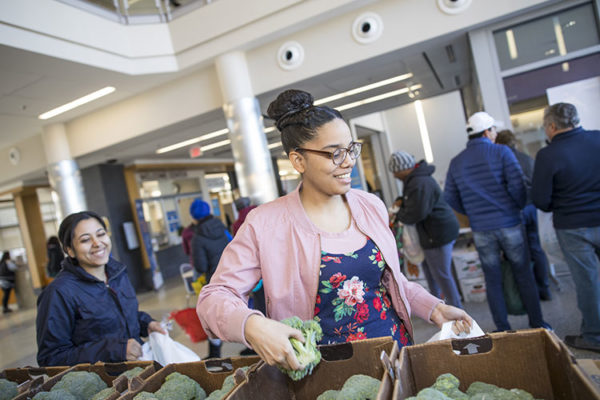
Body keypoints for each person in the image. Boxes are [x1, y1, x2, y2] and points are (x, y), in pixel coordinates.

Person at [197, 89, 472, 372]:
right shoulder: (264, 224)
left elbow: (390, 281)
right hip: (322, 373)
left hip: (393, 354)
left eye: (351, 149)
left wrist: (434, 307)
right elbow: (214, 298)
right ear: (298, 161)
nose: (349, 162)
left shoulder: (369, 206)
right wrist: (252, 325)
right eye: (335, 153)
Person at [444, 111, 550, 332]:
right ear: (486, 131)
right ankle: (538, 323)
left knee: (492, 278)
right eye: (493, 130)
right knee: (523, 273)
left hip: (481, 228)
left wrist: (473, 212)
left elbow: (451, 197)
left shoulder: (456, 162)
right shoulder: (502, 152)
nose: (495, 134)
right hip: (510, 222)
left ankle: (502, 328)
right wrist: (515, 207)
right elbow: (518, 186)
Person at [36, 211, 166, 366]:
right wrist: (116, 351)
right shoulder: (59, 293)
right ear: (70, 250)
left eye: (101, 234)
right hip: (105, 384)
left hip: (138, 371)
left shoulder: (117, 274)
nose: (97, 243)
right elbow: (51, 358)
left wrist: (147, 324)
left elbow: (121, 315)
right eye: (85, 240)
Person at [532, 103, 600, 352]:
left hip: (573, 226)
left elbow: (541, 200)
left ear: (551, 126)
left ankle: (594, 336)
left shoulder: (548, 155)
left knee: (588, 281)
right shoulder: (597, 138)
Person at [388, 151, 462, 308]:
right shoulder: (416, 180)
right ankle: (437, 306)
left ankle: (456, 311)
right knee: (432, 273)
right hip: (432, 233)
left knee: (441, 275)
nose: (394, 176)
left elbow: (415, 214)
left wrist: (397, 213)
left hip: (437, 234)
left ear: (403, 169)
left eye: (395, 172)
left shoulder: (419, 183)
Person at [495, 130, 552, 301]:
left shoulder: (500, 162)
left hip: (513, 211)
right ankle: (545, 289)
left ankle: (528, 293)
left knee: (519, 253)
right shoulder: (527, 159)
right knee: (536, 248)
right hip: (531, 209)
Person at [189, 198, 231, 359]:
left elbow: (200, 266)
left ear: (194, 217)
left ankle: (214, 355)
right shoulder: (221, 227)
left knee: (212, 318)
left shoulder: (197, 238)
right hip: (231, 274)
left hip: (214, 280)